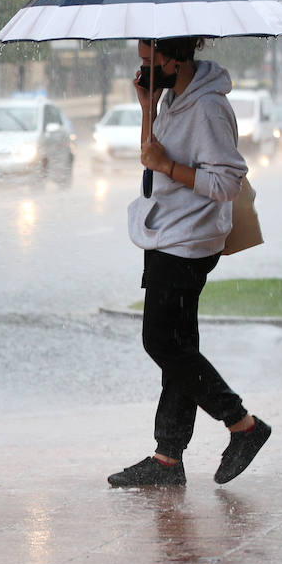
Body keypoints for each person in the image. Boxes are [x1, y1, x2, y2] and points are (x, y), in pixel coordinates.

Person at [108, 36, 271, 488]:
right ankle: (168, 458)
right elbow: (150, 157)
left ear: (175, 59)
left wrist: (169, 166)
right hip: (168, 232)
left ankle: (243, 425)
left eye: (149, 60)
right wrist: (147, 107)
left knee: (162, 342)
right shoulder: (174, 98)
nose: (142, 68)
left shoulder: (208, 108)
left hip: (188, 240)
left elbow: (227, 182)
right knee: (179, 347)